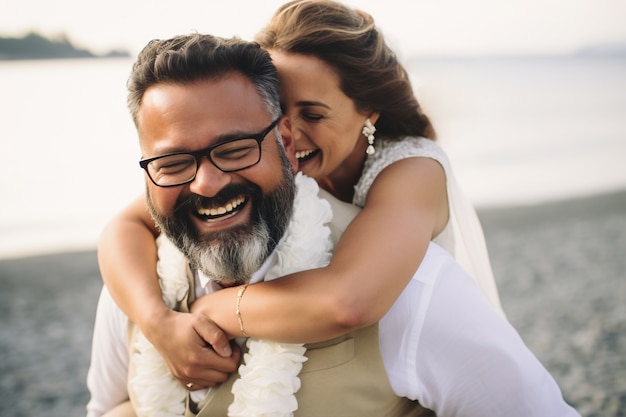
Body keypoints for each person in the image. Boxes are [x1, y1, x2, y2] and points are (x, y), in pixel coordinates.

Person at [87, 32, 580, 417]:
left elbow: (349, 300)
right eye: (173, 162)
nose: (207, 183)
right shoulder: (137, 279)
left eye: (235, 149)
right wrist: (158, 322)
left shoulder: (412, 278)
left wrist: (213, 309)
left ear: (281, 141)